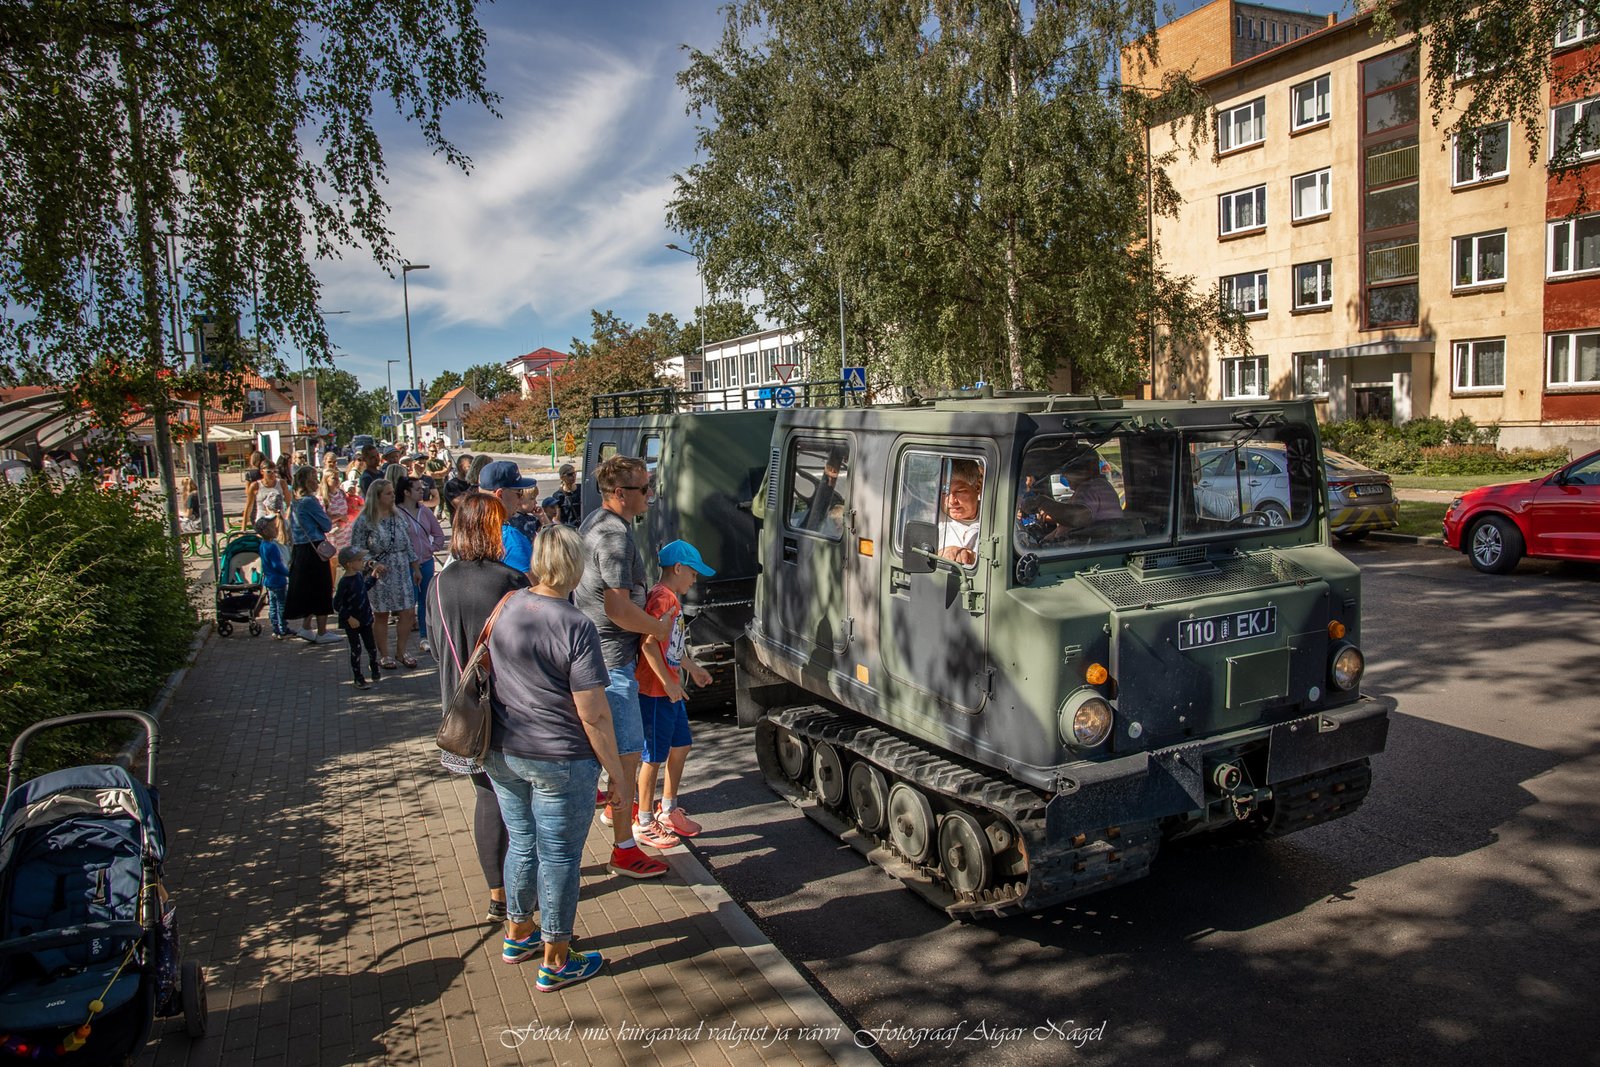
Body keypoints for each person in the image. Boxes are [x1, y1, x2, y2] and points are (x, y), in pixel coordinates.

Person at [482, 524, 630, 992]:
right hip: (559, 757)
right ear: (575, 565)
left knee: (523, 842)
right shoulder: (575, 624)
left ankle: (517, 932)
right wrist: (615, 771)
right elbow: (594, 713)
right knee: (560, 856)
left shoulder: (506, 606)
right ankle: (557, 958)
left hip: (504, 749)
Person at [427, 492, 530, 923]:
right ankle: (528, 897)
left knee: (486, 798)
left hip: (463, 711)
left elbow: (436, 647)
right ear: (493, 528)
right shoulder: (510, 581)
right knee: (520, 804)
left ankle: (497, 895)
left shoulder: (438, 584)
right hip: (510, 707)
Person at [577, 454, 675, 879]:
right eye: (644, 489)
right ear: (621, 493)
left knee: (613, 762)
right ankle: (624, 849)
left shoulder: (593, 522)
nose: (651, 496)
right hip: (612, 663)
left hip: (595, 655)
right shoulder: (616, 538)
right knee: (627, 759)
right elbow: (616, 605)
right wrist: (657, 625)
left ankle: (617, 829)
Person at [633, 540, 715, 848]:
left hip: (671, 689)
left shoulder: (672, 599)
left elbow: (672, 647)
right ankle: (643, 821)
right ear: (678, 569)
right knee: (652, 757)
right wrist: (667, 683)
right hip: (656, 692)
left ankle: (667, 809)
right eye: (693, 574)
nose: (695, 580)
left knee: (681, 746)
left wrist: (692, 669)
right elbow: (649, 643)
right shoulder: (662, 599)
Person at [349, 478, 420, 668]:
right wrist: (371, 563)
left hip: (401, 570)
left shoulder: (398, 516)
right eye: (388, 493)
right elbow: (356, 550)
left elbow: (408, 543)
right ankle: (384, 654)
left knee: (407, 611)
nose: (392, 496)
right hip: (378, 575)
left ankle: (401, 651)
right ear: (377, 497)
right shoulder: (364, 521)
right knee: (381, 614)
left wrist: (415, 567)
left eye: (392, 492)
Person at [285, 466, 341, 643]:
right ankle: (322, 631)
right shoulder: (310, 501)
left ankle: (307, 626)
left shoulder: (295, 502)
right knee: (321, 588)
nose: (317, 482)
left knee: (308, 588)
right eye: (314, 479)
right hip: (315, 548)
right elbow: (326, 525)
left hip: (300, 548)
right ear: (308, 481)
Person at [396, 474, 447, 656]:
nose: (422, 492)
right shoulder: (396, 512)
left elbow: (438, 534)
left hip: (425, 562)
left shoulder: (424, 511)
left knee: (425, 600)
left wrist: (431, 548)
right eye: (417, 489)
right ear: (406, 492)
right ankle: (401, 645)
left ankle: (425, 637)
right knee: (409, 603)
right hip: (405, 565)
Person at [478, 461, 539, 576]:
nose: (520, 500)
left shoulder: (466, 530)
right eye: (518, 493)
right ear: (500, 495)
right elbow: (531, 587)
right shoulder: (510, 538)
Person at [333, 546, 381, 689]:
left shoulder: (359, 576)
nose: (362, 562)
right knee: (356, 649)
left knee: (371, 647)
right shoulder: (344, 582)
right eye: (359, 560)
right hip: (352, 622)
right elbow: (337, 604)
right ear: (349, 564)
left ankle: (374, 666)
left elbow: (364, 588)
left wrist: (373, 578)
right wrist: (348, 618)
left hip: (365, 618)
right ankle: (358, 677)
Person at [938, 459, 983, 567]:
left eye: (959, 491)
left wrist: (976, 559)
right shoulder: (932, 519)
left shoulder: (995, 517)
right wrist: (939, 555)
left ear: (977, 487)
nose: (951, 501)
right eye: (945, 491)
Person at [256, 517, 293, 639]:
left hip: (269, 580)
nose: (275, 528)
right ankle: (283, 629)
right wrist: (289, 573)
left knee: (273, 605)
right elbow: (277, 565)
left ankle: (275, 628)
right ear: (266, 531)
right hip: (278, 580)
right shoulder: (272, 546)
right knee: (282, 605)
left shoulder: (263, 545)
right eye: (272, 527)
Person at [443, 455, 476, 519]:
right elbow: (461, 506)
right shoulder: (451, 485)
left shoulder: (473, 483)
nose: (473, 470)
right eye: (470, 467)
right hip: (461, 525)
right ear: (461, 467)